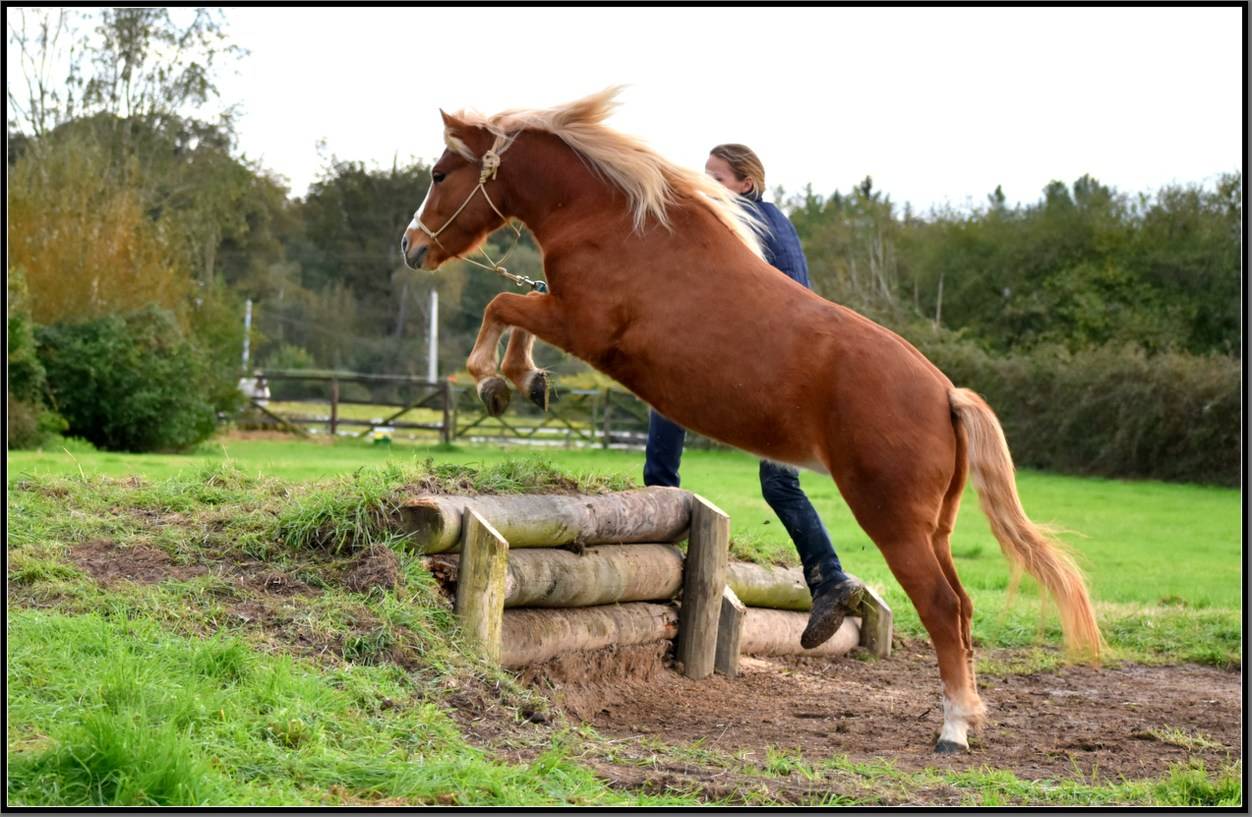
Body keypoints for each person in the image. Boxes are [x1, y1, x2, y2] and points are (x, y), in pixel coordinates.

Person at [644, 143, 863, 650]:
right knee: (781, 487)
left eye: (716, 178)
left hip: (773, 368)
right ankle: (829, 577)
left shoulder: (742, 219)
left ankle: (660, 491)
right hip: (797, 368)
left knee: (664, 381)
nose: (707, 186)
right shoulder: (773, 219)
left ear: (745, 182)